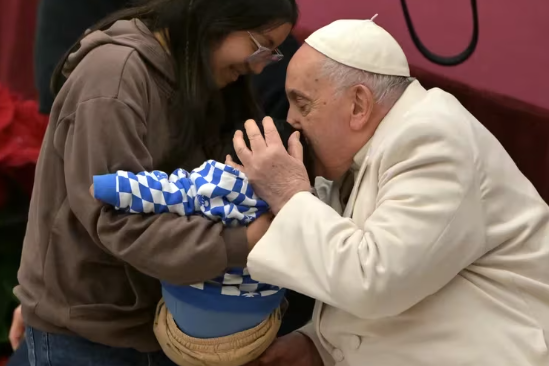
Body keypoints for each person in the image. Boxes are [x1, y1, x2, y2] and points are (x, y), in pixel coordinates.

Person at [231, 18, 549, 366]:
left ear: (358, 106)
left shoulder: (433, 137)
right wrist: (318, 346)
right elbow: (403, 274)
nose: (291, 120)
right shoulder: (370, 149)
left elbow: (375, 281)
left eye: (303, 104)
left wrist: (290, 194)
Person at [14, 0, 300, 365]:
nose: (260, 64)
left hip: (162, 325)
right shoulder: (114, 78)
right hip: (88, 337)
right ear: (216, 17)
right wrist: (244, 241)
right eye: (260, 45)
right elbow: (115, 217)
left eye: (274, 53)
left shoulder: (203, 77)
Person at [90, 160, 283, 365]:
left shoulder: (222, 181)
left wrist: (111, 187)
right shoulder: (303, 200)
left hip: (186, 324)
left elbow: (165, 191)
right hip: (256, 329)